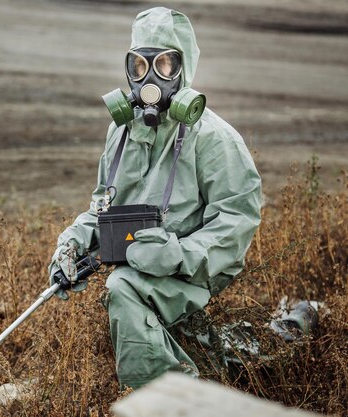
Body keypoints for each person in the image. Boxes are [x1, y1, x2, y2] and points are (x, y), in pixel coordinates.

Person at [48, 7, 262, 389]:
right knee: (129, 283)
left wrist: (179, 254)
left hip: (193, 269)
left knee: (122, 287)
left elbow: (237, 219)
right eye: (138, 65)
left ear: (184, 67)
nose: (149, 78)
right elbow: (103, 204)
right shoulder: (122, 133)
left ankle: (176, 401)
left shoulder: (213, 137)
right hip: (141, 261)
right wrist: (76, 238)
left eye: (164, 64)